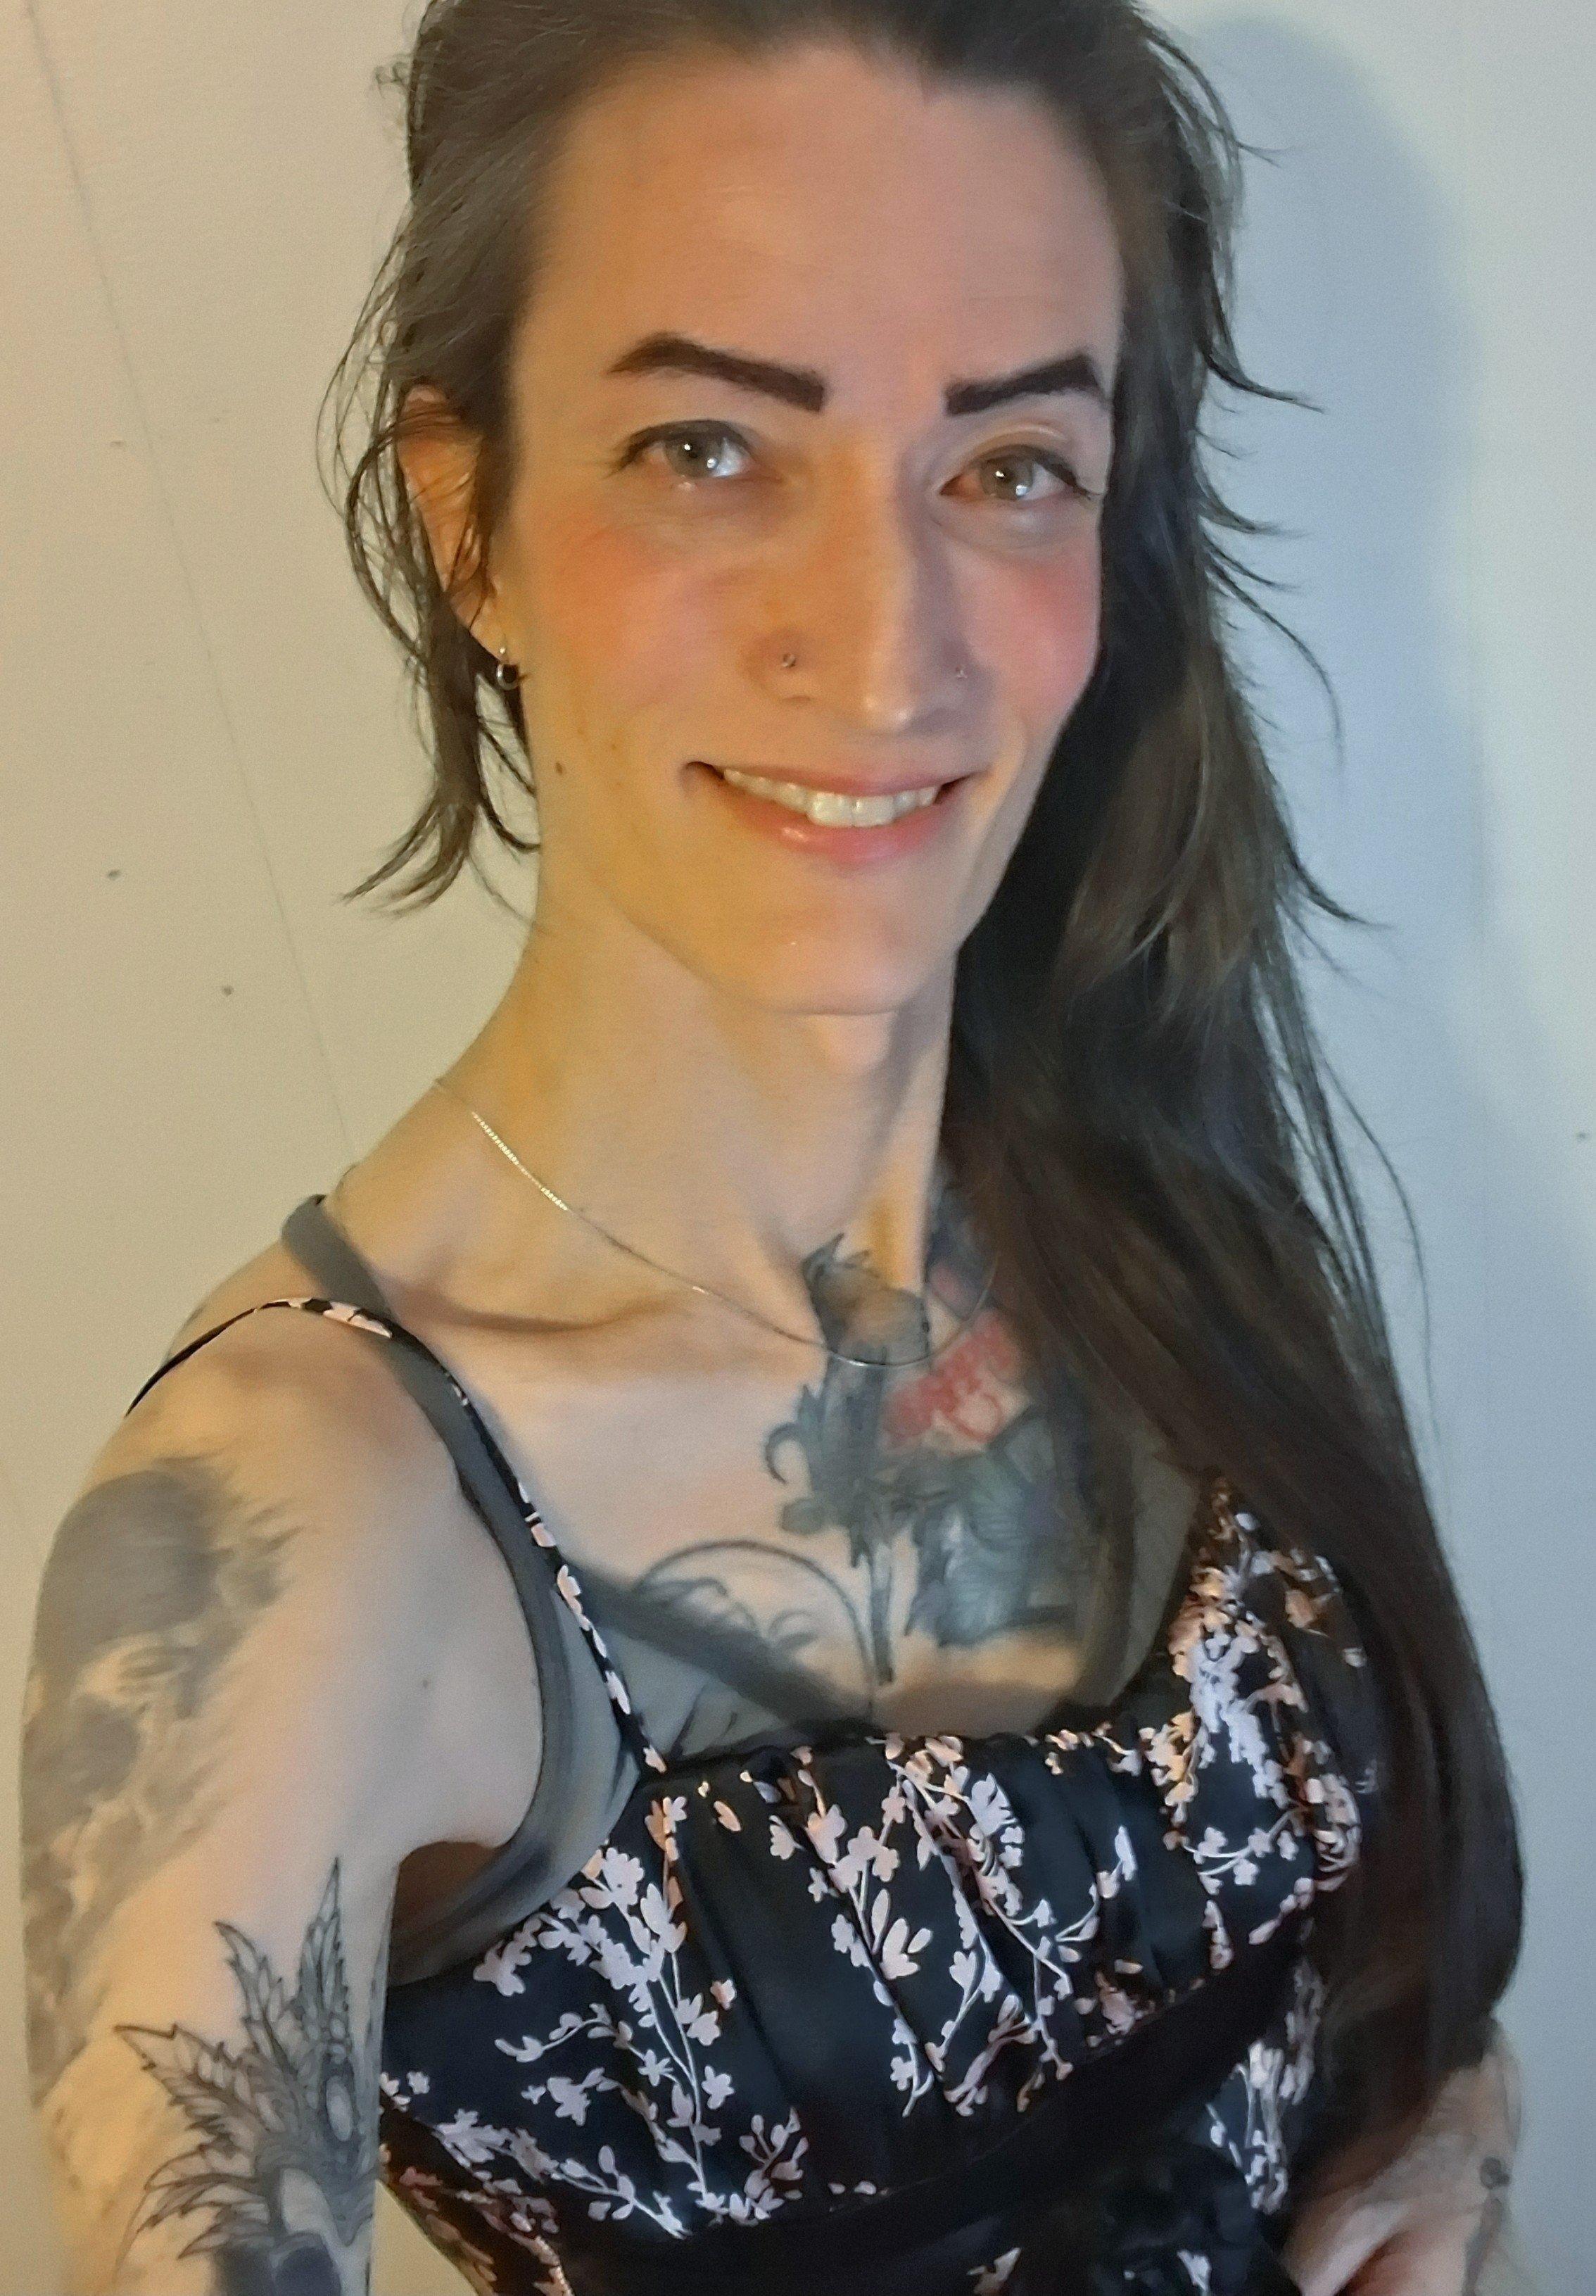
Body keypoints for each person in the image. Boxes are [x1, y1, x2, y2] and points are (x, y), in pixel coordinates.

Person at [20, 2, 1526, 2290]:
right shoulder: (299, 1544)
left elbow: (1348, 1934)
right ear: (467, 521)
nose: (886, 646)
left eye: (1005, 466)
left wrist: (1450, 2118)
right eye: (708, 447)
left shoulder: (1145, 1172)